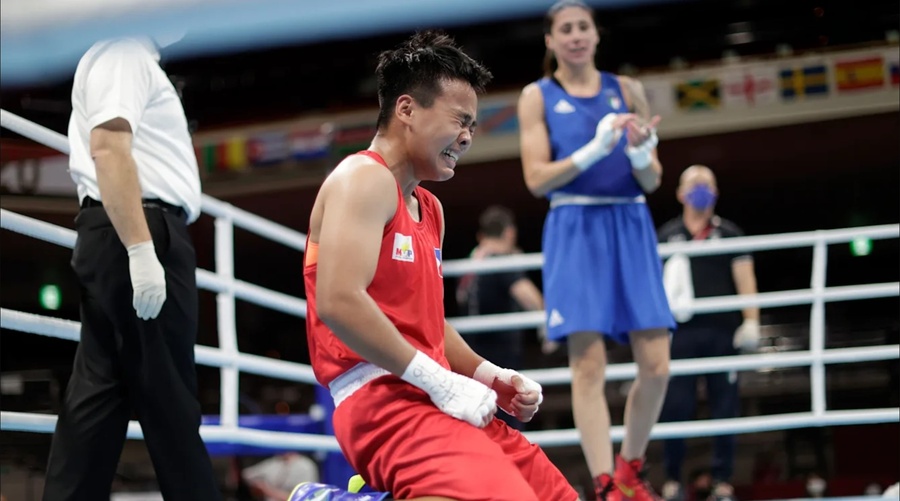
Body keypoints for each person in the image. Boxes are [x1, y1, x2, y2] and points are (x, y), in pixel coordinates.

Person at [302, 30, 579, 501]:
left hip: (431, 391)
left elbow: (429, 324)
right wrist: (440, 381)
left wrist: (489, 376)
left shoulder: (430, 208)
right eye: (460, 120)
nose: (468, 136)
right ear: (407, 110)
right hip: (382, 401)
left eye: (473, 124)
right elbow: (339, 300)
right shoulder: (362, 178)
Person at [43, 35, 220, 500]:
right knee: (170, 404)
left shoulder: (130, 56)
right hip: (138, 228)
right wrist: (142, 250)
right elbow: (109, 148)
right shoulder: (124, 51)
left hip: (128, 229)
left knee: (99, 398)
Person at [516, 1, 675, 499]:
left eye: (584, 26)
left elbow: (650, 180)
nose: (576, 35)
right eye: (565, 28)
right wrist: (592, 149)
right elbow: (536, 180)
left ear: (597, 35)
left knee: (657, 364)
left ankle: (630, 468)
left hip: (630, 221)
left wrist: (637, 152)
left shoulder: (628, 90)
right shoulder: (536, 96)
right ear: (550, 40)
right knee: (588, 366)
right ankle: (605, 484)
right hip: (574, 225)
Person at [656, 165, 761, 501]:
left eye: (707, 184)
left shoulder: (729, 233)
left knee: (724, 405)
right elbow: (653, 287)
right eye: (694, 184)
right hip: (680, 334)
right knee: (676, 405)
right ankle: (672, 478)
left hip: (722, 331)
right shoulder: (666, 235)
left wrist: (752, 320)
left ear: (716, 192)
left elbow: (746, 279)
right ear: (680, 193)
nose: (700, 189)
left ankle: (722, 480)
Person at [455, 205, 556, 430]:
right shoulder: (499, 261)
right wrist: (548, 326)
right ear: (509, 233)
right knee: (506, 424)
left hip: (469, 356)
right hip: (499, 358)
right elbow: (526, 295)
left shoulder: (471, 262)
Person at [242, 452, 320, 501]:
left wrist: (268, 490)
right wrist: (259, 485)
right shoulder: (274, 462)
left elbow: (304, 496)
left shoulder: (305, 465)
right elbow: (247, 474)